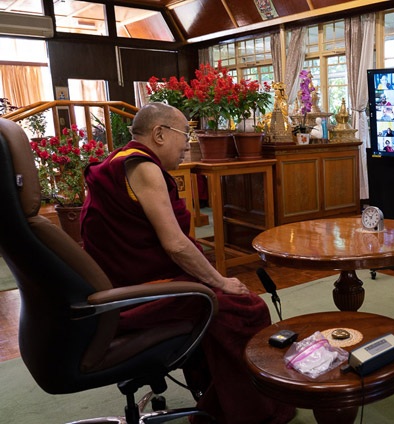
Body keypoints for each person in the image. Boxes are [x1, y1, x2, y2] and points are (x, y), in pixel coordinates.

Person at [80, 103, 295, 424]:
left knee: (222, 300)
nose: (187, 144)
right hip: (135, 297)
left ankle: (214, 397)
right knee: (245, 308)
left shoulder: (116, 161)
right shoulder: (144, 168)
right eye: (185, 135)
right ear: (159, 134)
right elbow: (176, 244)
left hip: (120, 288)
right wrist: (220, 282)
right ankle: (251, 413)